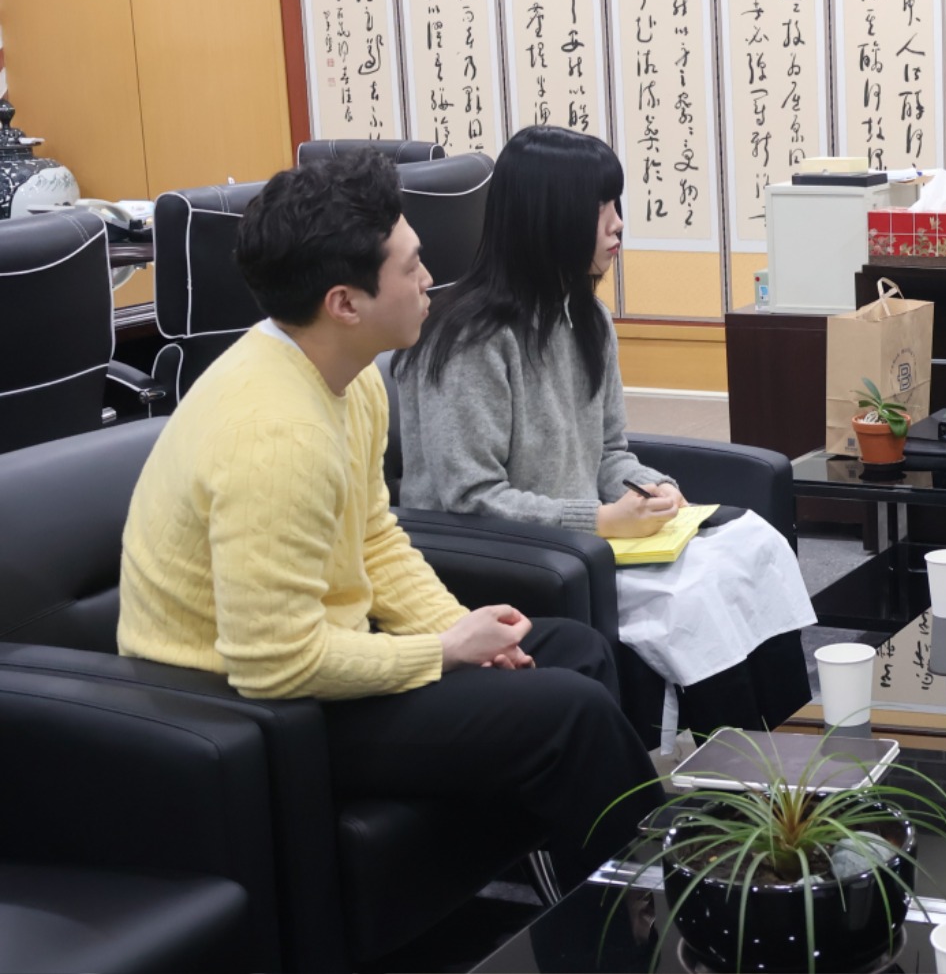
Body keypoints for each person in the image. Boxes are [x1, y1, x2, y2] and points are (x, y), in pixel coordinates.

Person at [117, 151, 659, 883]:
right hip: (253, 711)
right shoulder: (275, 435)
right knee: (571, 712)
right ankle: (652, 908)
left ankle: (586, 897)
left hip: (324, 665)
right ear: (346, 302)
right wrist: (444, 650)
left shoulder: (348, 376)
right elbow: (277, 663)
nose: (430, 279)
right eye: (411, 267)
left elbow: (375, 538)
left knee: (573, 650)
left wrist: (464, 632)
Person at [393, 125, 816, 745]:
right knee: (697, 599)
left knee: (751, 546)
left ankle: (788, 751)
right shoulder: (470, 343)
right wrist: (598, 521)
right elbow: (470, 498)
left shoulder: (586, 316)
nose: (618, 225)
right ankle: (732, 774)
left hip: (592, 540)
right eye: (602, 209)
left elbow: (610, 452)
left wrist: (651, 488)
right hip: (527, 556)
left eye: (617, 204)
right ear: (550, 218)